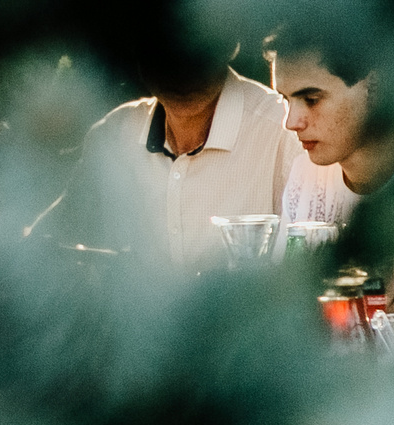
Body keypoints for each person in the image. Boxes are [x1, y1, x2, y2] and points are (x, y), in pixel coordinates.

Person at [60, 42, 299, 268]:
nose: (181, 70)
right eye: (161, 47)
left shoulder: (288, 131)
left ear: (230, 44)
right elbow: (52, 243)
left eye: (197, 44)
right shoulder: (113, 135)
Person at [266, 23, 394, 233]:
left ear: (374, 84)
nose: (291, 122)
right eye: (285, 100)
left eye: (311, 100)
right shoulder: (303, 175)